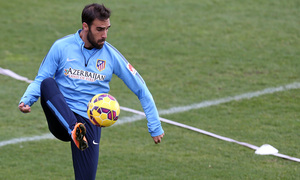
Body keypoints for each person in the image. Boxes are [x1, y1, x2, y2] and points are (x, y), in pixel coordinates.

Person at [18, 3, 164, 180]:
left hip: (89, 122)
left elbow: (140, 88)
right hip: (61, 116)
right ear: (85, 26)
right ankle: (74, 129)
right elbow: (41, 79)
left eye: (107, 29)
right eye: (99, 29)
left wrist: (154, 125)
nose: (104, 35)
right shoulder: (61, 47)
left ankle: (78, 133)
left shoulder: (110, 55)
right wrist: (27, 100)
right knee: (48, 83)